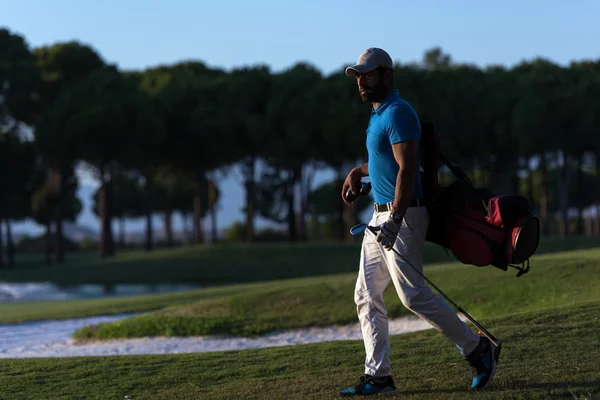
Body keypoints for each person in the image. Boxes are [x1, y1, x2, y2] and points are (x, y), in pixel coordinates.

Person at [339, 47, 498, 396]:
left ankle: (476, 348)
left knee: (412, 295)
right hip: (380, 215)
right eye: (358, 76)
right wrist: (357, 171)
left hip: (404, 215)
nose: (361, 81)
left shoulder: (398, 113)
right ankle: (379, 376)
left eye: (368, 74)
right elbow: (382, 159)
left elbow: (408, 167)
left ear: (387, 75)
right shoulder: (379, 115)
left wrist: (395, 217)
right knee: (366, 295)